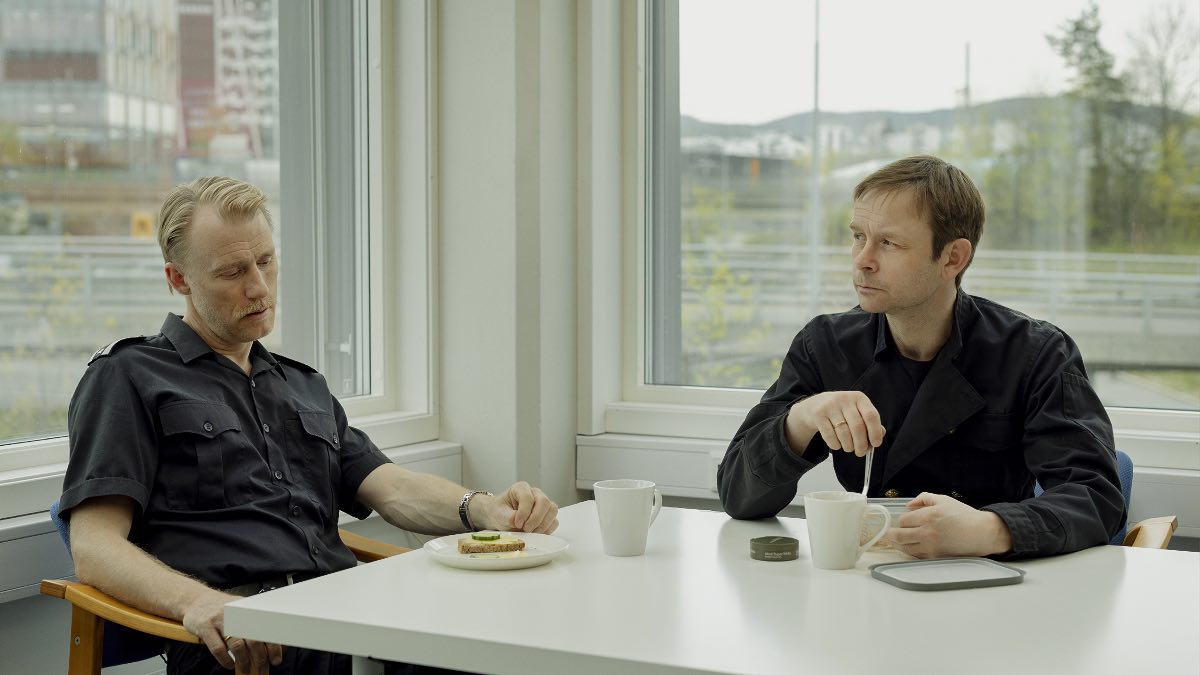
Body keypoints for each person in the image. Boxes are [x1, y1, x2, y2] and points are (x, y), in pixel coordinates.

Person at [59, 176, 559, 675]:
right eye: (232, 271)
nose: (258, 287)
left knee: (511, 643)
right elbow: (95, 548)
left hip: (344, 616)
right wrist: (200, 604)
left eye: (265, 262)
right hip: (249, 642)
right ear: (179, 279)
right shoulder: (128, 376)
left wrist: (485, 511)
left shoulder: (302, 385)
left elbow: (394, 489)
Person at [716, 155, 1125, 560]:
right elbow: (738, 496)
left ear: (952, 258)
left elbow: (1096, 498)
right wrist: (801, 418)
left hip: (991, 586)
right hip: (867, 580)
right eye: (858, 236)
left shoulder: (1036, 353)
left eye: (888, 243)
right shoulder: (824, 344)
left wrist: (991, 528)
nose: (862, 260)